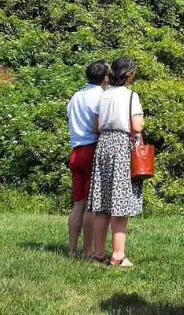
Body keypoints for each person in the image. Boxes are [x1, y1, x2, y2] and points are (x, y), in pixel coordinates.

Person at [88, 57, 145, 268]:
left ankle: (98, 254)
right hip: (122, 146)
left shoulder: (103, 95)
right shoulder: (131, 96)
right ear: (128, 74)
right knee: (120, 204)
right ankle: (118, 255)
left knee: (102, 204)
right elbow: (137, 125)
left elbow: (96, 126)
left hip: (103, 146)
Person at [66, 60, 109, 259]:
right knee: (92, 204)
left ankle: (72, 249)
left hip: (75, 151)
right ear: (105, 78)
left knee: (78, 203)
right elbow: (100, 124)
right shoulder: (101, 96)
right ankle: (89, 250)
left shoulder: (76, 96)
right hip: (92, 149)